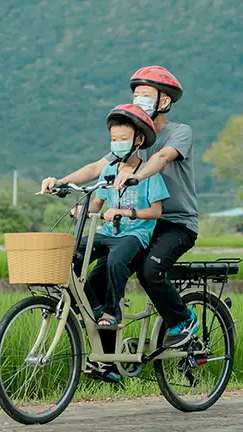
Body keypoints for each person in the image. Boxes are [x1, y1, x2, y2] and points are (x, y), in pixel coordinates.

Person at [41, 66, 201, 380]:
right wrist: (61, 182)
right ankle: (109, 359)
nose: (138, 100)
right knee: (96, 279)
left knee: (149, 270)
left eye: (146, 95)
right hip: (133, 226)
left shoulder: (180, 132)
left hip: (174, 223)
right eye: (135, 94)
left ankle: (183, 320)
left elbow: (162, 158)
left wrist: (137, 176)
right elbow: (96, 168)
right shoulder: (129, 138)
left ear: (164, 101)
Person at [69, 104, 168, 332]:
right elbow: (96, 204)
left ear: (139, 140)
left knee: (116, 261)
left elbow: (156, 211)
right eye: (114, 139)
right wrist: (83, 210)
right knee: (71, 255)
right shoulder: (108, 170)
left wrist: (125, 212)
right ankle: (93, 306)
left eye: (124, 138)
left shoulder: (148, 174)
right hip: (107, 232)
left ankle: (112, 310)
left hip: (134, 234)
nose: (118, 143)